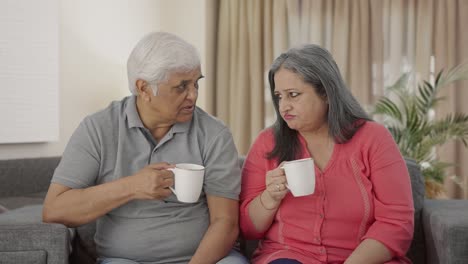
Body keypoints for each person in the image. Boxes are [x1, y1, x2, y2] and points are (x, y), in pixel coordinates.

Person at [43, 32, 248, 264]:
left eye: (196, 83)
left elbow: (226, 222)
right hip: (125, 259)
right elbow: (54, 210)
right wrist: (132, 186)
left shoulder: (214, 133)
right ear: (144, 89)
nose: (193, 95)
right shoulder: (98, 128)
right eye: (181, 87)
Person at [239, 44, 414, 264]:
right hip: (288, 256)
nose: (284, 107)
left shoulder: (374, 139)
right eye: (279, 97)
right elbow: (248, 229)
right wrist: (270, 198)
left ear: (327, 93)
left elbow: (397, 223)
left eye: (293, 95)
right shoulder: (267, 142)